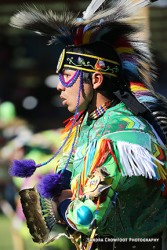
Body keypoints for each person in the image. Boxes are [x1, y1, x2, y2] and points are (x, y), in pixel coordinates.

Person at [9, 0, 167, 249]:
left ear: (95, 79)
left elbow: (86, 216)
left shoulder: (120, 136)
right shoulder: (88, 125)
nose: (60, 85)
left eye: (67, 76)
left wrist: (59, 206)